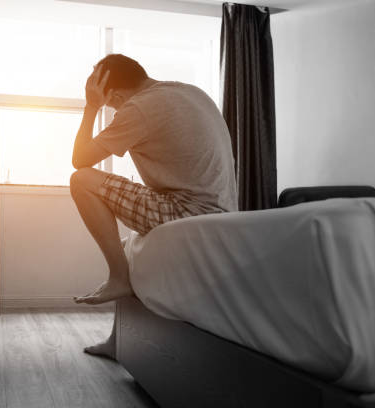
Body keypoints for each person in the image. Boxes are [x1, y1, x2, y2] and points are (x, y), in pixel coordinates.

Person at [69, 54, 238, 358]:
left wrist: (91, 106)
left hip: (188, 213)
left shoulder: (138, 108)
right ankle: (119, 340)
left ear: (116, 94)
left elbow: (79, 159)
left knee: (81, 180)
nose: (115, 110)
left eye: (111, 104)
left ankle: (118, 277)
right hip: (222, 213)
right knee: (127, 244)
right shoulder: (187, 91)